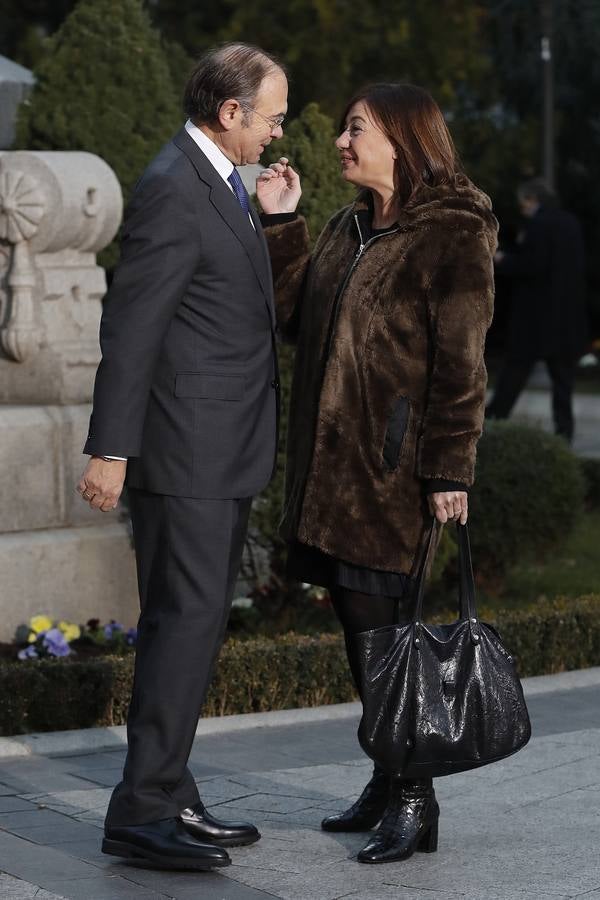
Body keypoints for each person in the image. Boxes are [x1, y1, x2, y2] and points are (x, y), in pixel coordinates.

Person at [256, 83, 497, 864]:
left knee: (384, 639)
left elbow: (463, 366)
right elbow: (293, 318)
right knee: (364, 635)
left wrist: (448, 469)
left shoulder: (451, 233)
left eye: (354, 128)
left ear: (402, 137)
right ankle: (390, 778)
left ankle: (415, 796)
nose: (338, 142)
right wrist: (283, 222)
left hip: (392, 475)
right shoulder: (346, 227)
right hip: (330, 477)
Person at [76, 43, 287, 870]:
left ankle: (169, 790)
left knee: (193, 628)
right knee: (183, 627)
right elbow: (130, 331)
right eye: (269, 117)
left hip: (219, 450)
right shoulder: (173, 187)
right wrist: (110, 451)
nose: (276, 132)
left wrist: (268, 221)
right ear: (229, 112)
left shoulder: (220, 183)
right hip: (186, 455)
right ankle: (141, 809)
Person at [486, 178, 588, 442]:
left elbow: (533, 266)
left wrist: (503, 259)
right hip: (566, 318)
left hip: (535, 320)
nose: (523, 209)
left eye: (524, 204)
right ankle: (564, 437)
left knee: (513, 376)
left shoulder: (539, 225)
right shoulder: (571, 223)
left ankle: (492, 426)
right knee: (563, 386)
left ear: (532, 200)